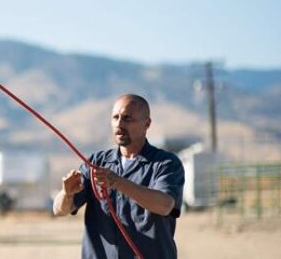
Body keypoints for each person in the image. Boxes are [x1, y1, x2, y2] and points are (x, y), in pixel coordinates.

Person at [53, 94, 185, 259]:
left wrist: (118, 182)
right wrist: (67, 194)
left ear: (147, 123)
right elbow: (59, 210)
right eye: (115, 117)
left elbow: (165, 205)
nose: (119, 124)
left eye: (127, 119)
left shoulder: (165, 164)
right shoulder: (96, 163)